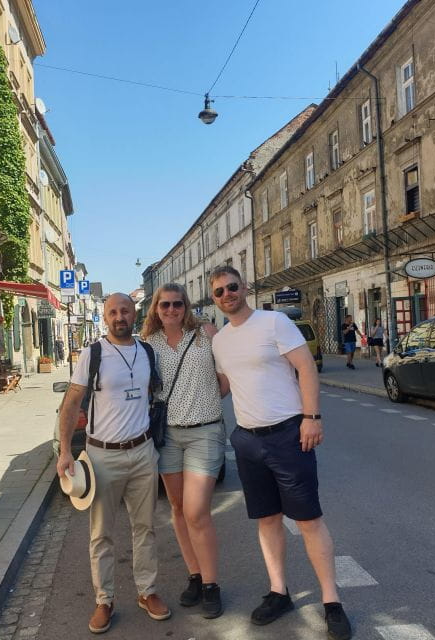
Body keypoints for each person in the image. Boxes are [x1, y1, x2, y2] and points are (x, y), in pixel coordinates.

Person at [209, 266, 352, 640]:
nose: (227, 295)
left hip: (289, 435)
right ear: (214, 299)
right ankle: (279, 592)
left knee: (308, 520)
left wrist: (312, 417)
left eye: (232, 287)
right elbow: (224, 385)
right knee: (267, 520)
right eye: (219, 292)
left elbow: (305, 367)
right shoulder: (220, 341)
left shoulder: (274, 323)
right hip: (248, 441)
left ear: (245, 288)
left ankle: (331, 601)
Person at [57, 293, 171, 635]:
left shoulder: (147, 351)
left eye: (125, 310)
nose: (120, 316)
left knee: (145, 527)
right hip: (101, 455)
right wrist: (65, 450)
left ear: (134, 313)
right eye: (113, 312)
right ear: (105, 317)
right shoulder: (93, 354)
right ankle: (104, 600)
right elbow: (72, 402)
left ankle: (147, 592)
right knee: (101, 534)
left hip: (142, 452)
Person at [141, 283, 229, 619]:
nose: (171, 310)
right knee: (177, 507)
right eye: (165, 305)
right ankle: (195, 575)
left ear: (186, 306)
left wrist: (204, 399)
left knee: (196, 510)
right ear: (156, 309)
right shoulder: (148, 345)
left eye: (178, 304)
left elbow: (226, 377)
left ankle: (211, 585)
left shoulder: (207, 335)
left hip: (205, 431)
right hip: (167, 436)